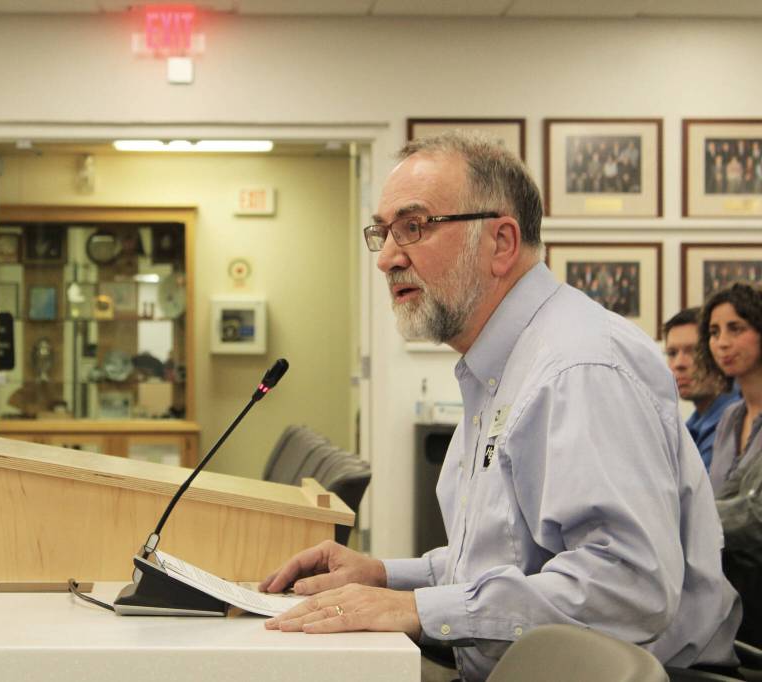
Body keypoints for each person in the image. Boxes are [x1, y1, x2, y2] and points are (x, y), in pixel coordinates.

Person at [259, 131, 740, 682]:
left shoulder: (578, 367)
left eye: (413, 227)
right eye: (383, 232)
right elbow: (507, 566)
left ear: (502, 243)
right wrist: (383, 575)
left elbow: (627, 587)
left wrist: (417, 609)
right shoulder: (501, 366)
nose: (387, 258)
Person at [698, 283, 762, 647]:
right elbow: (716, 497)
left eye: (736, 328)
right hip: (730, 590)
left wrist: (685, 516)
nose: (721, 342)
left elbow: (756, 517)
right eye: (714, 332)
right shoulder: (729, 418)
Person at [663, 307, 740, 471]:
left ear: (716, 350)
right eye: (672, 353)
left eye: (693, 351)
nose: (679, 364)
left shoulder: (735, 419)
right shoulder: (695, 423)